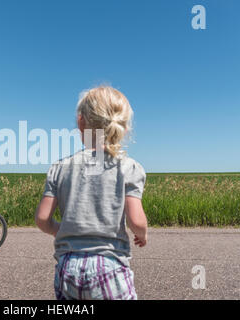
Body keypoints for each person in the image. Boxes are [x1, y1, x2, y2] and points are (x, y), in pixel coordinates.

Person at [35, 86, 148, 300]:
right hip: (110, 267)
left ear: (80, 123)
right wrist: (142, 234)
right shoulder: (129, 167)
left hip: (67, 268)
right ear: (123, 126)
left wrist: (64, 229)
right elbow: (136, 220)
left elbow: (42, 219)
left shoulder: (60, 167)